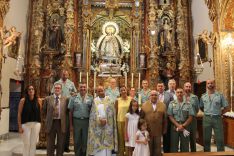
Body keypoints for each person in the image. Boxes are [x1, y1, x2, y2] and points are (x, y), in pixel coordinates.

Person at [87, 85, 118, 156]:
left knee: (107, 147)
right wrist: (99, 120)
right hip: (98, 127)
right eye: (99, 91)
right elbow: (93, 114)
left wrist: (106, 120)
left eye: (102, 90)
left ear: (104, 91)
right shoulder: (95, 101)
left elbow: (112, 113)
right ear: (96, 92)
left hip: (108, 127)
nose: (101, 92)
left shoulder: (109, 100)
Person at [51, 69, 77, 152]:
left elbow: (75, 93)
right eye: (63, 74)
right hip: (58, 107)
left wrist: (73, 95)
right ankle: (58, 145)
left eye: (66, 74)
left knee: (67, 127)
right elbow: (52, 93)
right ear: (61, 74)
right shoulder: (57, 83)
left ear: (68, 75)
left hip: (68, 107)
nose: (65, 75)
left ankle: (66, 146)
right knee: (58, 127)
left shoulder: (71, 83)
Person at [200, 79, 229, 152]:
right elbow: (201, 107)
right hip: (207, 118)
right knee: (206, 139)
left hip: (217, 118)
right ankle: (207, 153)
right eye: (208, 83)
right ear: (206, 85)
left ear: (214, 84)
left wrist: (220, 113)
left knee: (220, 139)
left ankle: (221, 153)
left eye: (211, 83)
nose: (210, 85)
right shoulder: (203, 96)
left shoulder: (220, 95)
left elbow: (226, 107)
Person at [43, 83, 69, 156]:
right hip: (51, 123)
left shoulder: (66, 99)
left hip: (61, 123)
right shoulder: (48, 99)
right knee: (50, 144)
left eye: (59, 88)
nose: (57, 89)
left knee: (61, 143)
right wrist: (46, 120)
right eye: (56, 88)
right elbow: (44, 111)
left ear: (61, 90)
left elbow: (67, 111)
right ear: (54, 89)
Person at [68, 83, 93, 156]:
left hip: (86, 121)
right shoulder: (73, 98)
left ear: (86, 88)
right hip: (77, 121)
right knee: (77, 140)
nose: (83, 88)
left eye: (84, 87)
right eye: (81, 87)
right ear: (78, 88)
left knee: (85, 140)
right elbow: (70, 111)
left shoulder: (90, 98)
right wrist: (71, 125)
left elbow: (92, 111)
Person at [167, 88, 195, 152]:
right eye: (178, 92)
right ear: (176, 94)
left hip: (186, 126)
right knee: (173, 146)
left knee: (185, 146)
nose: (179, 94)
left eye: (181, 92)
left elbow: (191, 116)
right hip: (174, 126)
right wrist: (178, 125)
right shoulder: (172, 103)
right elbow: (170, 116)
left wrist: (183, 126)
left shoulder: (188, 103)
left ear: (184, 93)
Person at [17, 85, 42, 156]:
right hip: (25, 124)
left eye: (32, 89)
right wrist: (19, 126)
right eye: (29, 89)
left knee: (33, 144)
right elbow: (19, 113)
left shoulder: (39, 100)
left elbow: (40, 113)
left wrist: (41, 124)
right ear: (27, 91)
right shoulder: (23, 100)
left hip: (36, 124)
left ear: (35, 91)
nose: (31, 90)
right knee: (26, 143)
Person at [141, 90, 167, 156]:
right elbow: (141, 118)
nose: (154, 96)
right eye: (152, 95)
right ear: (149, 96)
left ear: (158, 96)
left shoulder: (163, 105)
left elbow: (165, 119)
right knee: (148, 149)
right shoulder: (144, 105)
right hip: (148, 131)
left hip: (158, 130)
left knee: (157, 149)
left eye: (155, 95)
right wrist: (142, 130)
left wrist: (164, 129)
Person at [156, 82, 174, 153]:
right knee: (157, 137)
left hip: (166, 119)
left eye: (161, 86)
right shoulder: (154, 95)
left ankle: (167, 152)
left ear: (164, 87)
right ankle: (157, 152)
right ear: (157, 87)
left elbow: (173, 105)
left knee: (166, 137)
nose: (160, 87)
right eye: (159, 86)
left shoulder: (169, 95)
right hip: (156, 120)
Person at [115, 86, 132, 156]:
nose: (123, 91)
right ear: (120, 92)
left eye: (124, 90)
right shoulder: (117, 100)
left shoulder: (130, 99)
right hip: (120, 121)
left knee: (128, 139)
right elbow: (115, 111)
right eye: (121, 90)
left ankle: (128, 154)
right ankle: (120, 154)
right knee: (121, 139)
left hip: (129, 122)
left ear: (126, 90)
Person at [183, 82, 199, 152]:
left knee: (193, 139)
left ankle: (193, 153)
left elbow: (197, 109)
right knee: (185, 139)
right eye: (186, 86)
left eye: (189, 87)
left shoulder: (195, 97)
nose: (188, 88)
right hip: (184, 120)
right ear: (184, 87)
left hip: (193, 120)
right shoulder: (181, 96)